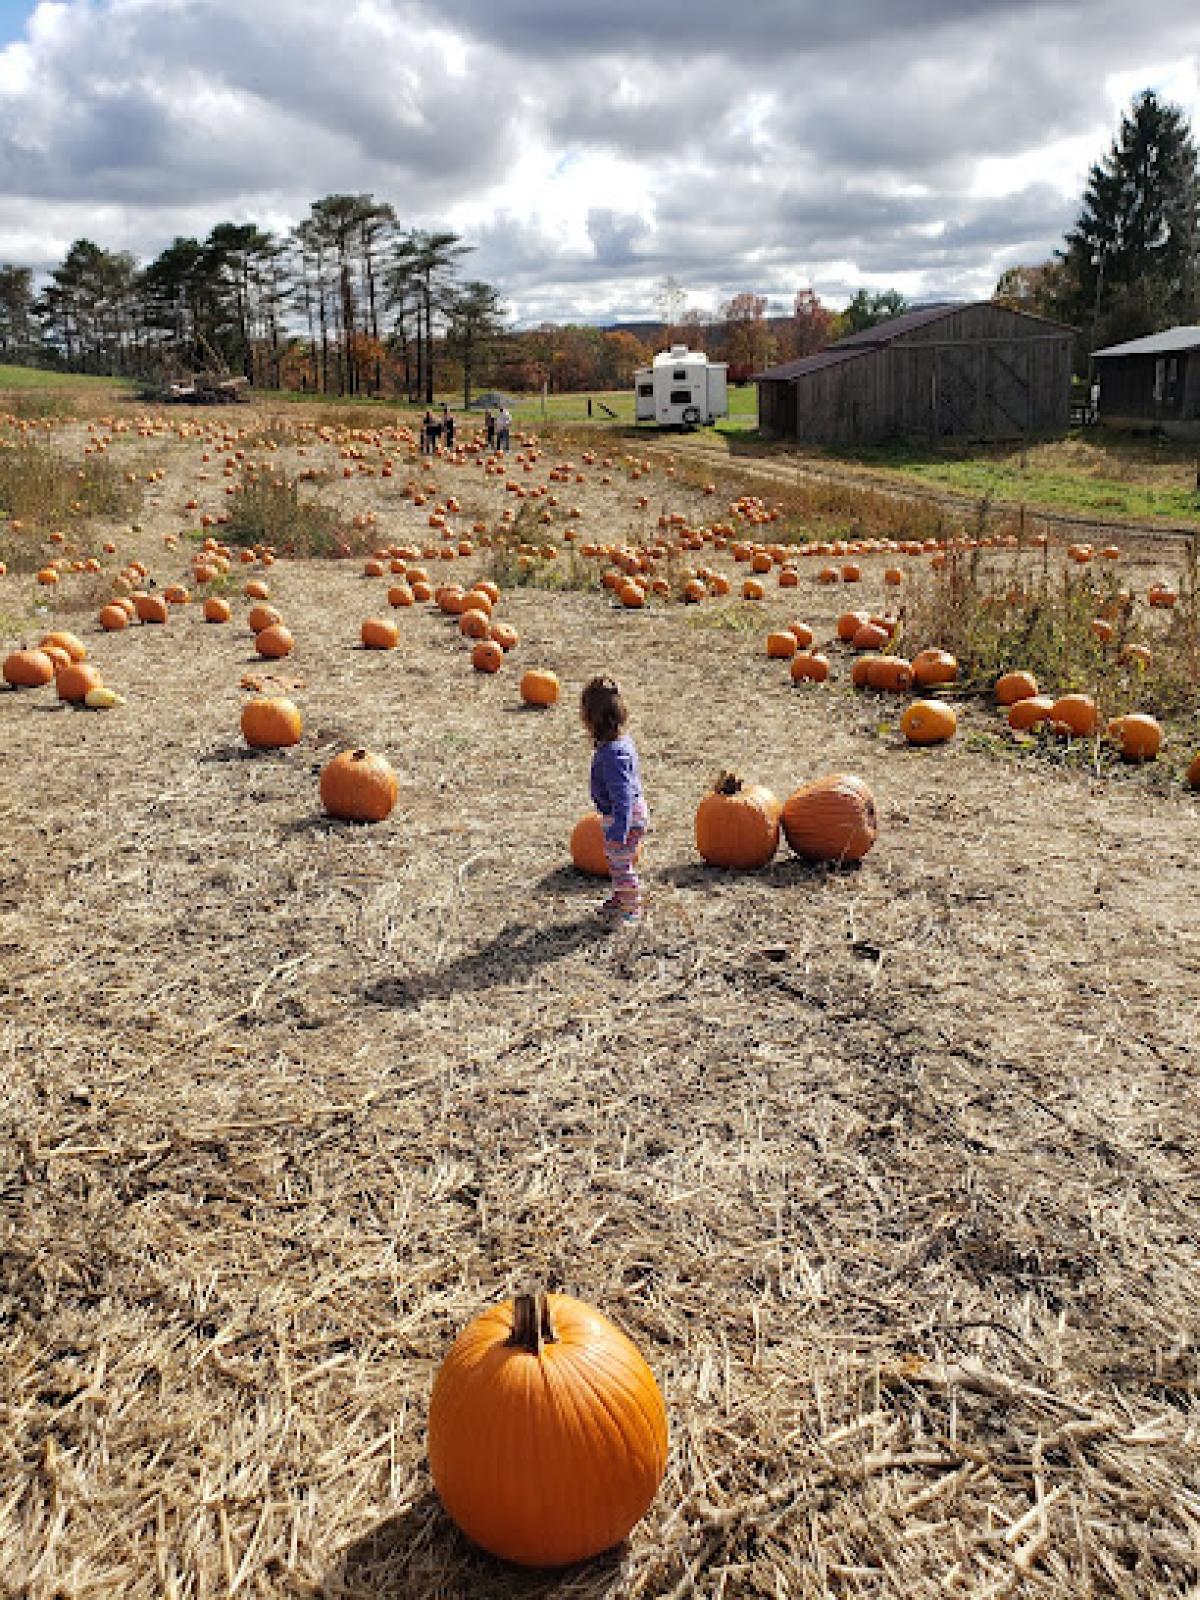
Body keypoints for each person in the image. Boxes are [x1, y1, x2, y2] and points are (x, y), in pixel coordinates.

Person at [582, 675, 648, 924]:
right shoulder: (620, 742)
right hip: (629, 813)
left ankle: (631, 907)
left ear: (591, 719)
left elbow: (622, 796)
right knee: (616, 862)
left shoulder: (613, 755)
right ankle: (621, 897)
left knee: (621, 865)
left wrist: (620, 828)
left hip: (626, 817)